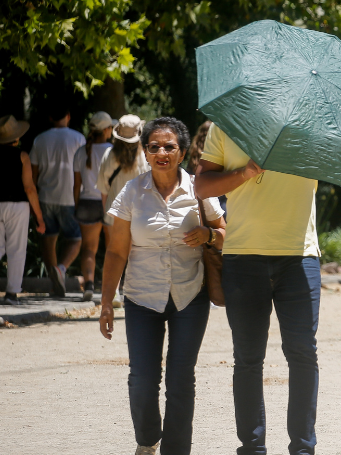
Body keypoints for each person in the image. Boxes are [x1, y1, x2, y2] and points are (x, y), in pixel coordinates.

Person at [98, 116, 226, 455]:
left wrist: (208, 234)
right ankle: (148, 438)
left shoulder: (199, 190)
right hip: (142, 298)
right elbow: (115, 251)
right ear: (145, 151)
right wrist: (106, 302)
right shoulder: (132, 192)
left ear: (182, 152)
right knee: (142, 381)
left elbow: (226, 234)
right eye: (153, 147)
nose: (161, 152)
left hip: (190, 296)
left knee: (181, 381)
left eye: (169, 146)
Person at [195, 122, 322, 455]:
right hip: (243, 257)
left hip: (299, 256)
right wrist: (245, 172)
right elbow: (202, 185)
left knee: (303, 354)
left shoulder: (312, 125)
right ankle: (252, 450)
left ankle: (304, 450)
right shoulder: (227, 124)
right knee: (248, 359)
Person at [0, 115, 45, 305]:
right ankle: (11, 294)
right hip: (16, 206)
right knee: (16, 249)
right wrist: (39, 217)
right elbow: (29, 188)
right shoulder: (22, 156)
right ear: (17, 138)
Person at [30, 101, 86, 297]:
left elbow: (33, 174)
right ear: (68, 116)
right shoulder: (79, 139)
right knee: (76, 239)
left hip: (45, 196)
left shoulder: (39, 140)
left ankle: (55, 285)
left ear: (50, 117)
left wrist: (33, 200)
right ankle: (61, 270)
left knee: (48, 240)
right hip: (70, 197)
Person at [97, 114, 149, 282]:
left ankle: (114, 293)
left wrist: (105, 213)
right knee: (135, 252)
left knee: (114, 251)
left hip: (114, 211)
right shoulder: (143, 157)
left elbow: (103, 187)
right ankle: (131, 288)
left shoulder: (108, 155)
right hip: (139, 213)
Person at [72, 111, 115, 301]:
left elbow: (76, 184)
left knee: (89, 248)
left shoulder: (81, 152)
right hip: (110, 202)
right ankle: (112, 289)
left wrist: (76, 206)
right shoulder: (113, 151)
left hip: (86, 202)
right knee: (113, 248)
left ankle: (88, 286)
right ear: (106, 129)